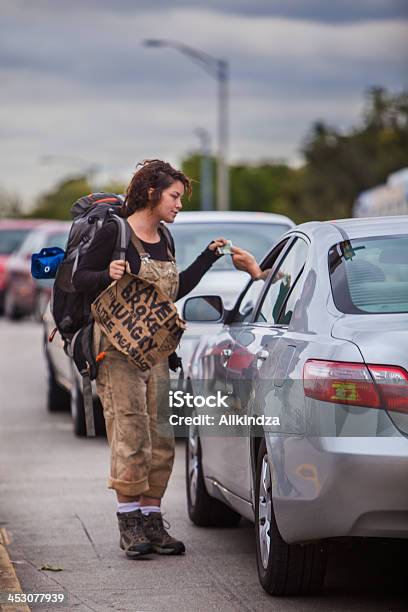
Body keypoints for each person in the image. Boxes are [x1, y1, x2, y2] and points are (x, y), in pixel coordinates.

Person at [73, 159, 235, 559]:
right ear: (151, 193)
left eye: (180, 198)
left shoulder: (165, 237)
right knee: (130, 435)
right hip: (115, 352)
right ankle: (129, 526)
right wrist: (105, 274)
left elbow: (172, 291)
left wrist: (209, 258)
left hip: (157, 352)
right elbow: (77, 278)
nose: (179, 204)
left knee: (162, 440)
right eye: (174, 196)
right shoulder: (116, 231)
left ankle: (152, 522)